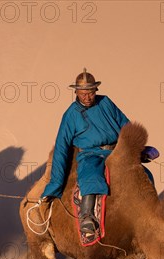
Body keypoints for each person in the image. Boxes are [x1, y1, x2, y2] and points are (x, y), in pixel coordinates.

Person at [42, 68, 129, 239]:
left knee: (140, 174)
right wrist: (55, 184)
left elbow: (125, 124)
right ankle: (87, 217)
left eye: (90, 93)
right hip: (91, 154)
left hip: (117, 150)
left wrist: (138, 146)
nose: (87, 97)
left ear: (96, 91)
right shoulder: (71, 114)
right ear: (76, 92)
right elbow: (61, 147)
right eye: (83, 94)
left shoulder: (105, 102)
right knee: (91, 174)